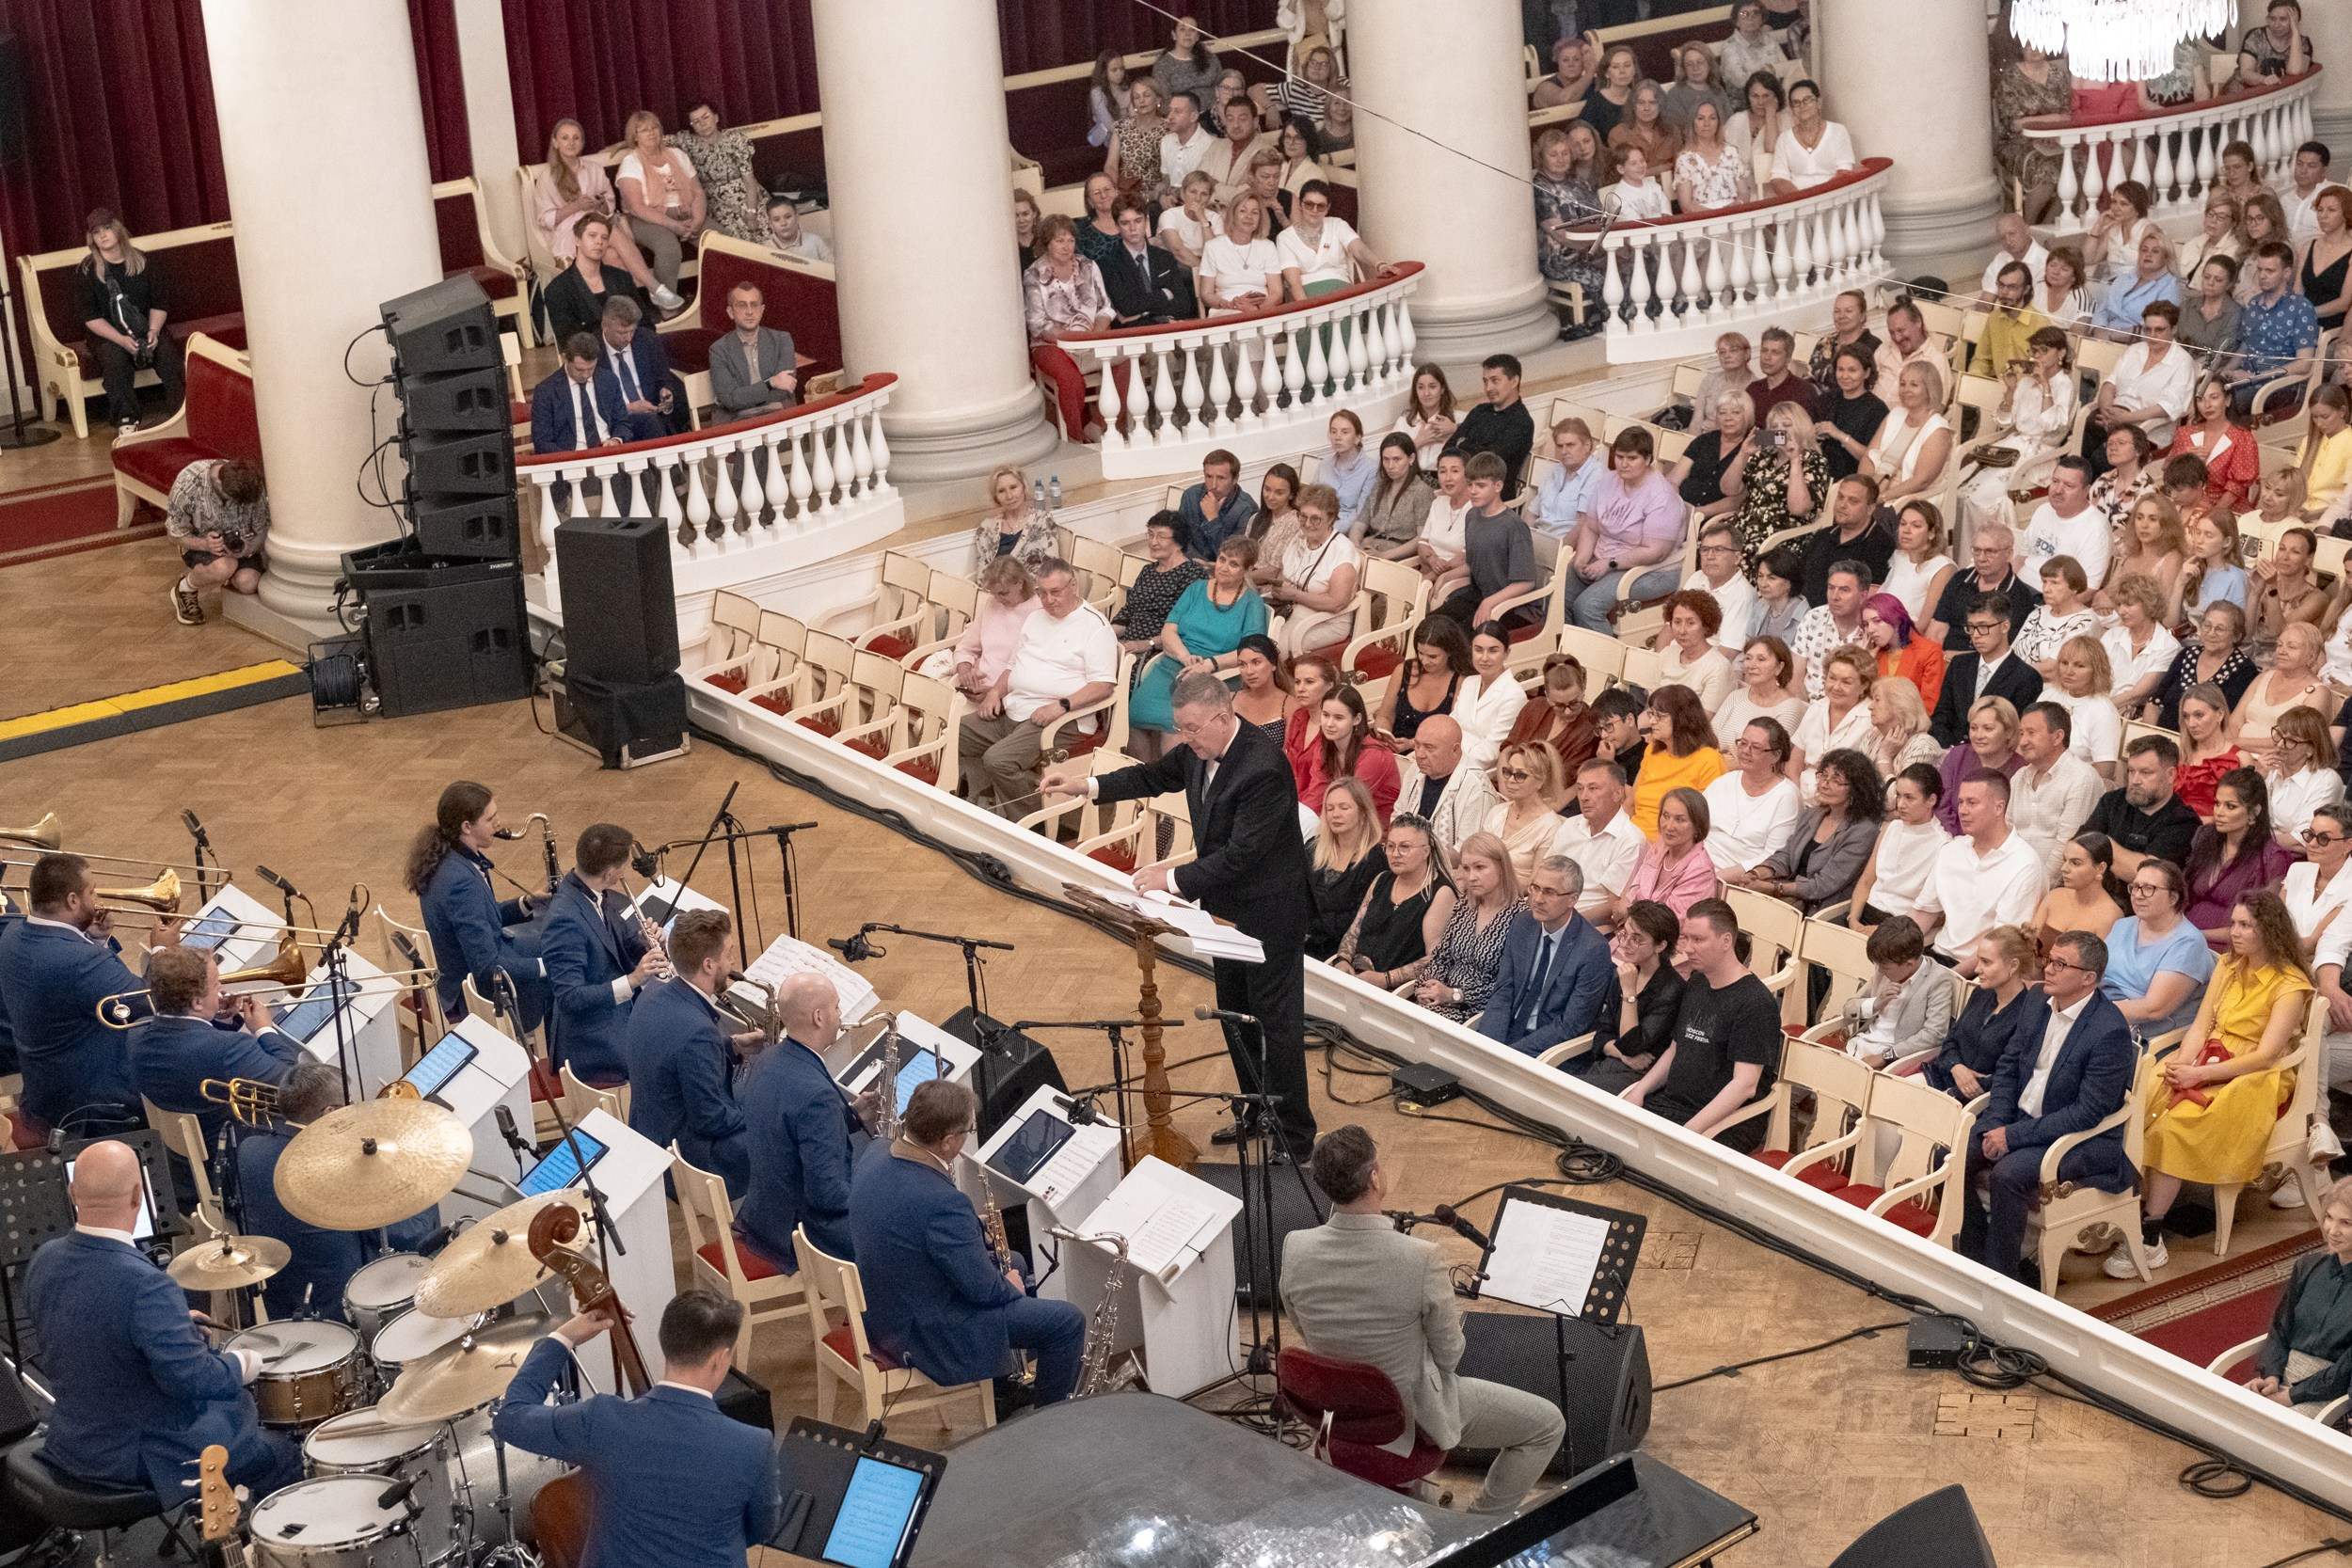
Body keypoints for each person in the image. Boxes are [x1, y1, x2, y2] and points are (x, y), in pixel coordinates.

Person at [1048, 673, 1318, 1156]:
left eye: (1191, 729)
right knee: (1234, 1013)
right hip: (1225, 907)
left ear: (1220, 716)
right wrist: (1083, 786)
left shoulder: (1262, 767)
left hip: (1271, 910)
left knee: (1276, 1022)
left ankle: (1295, 1136)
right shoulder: (1198, 751)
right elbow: (1151, 775)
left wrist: (1169, 881)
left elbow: (1243, 855)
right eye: (1181, 728)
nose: (1184, 738)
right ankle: (1257, 1108)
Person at [1282, 1126, 1565, 1512]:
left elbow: (1300, 1322)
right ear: (1375, 1178)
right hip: (1409, 1422)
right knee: (1546, 1425)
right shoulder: (1421, 1257)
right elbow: (1450, 1357)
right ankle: (1480, 1525)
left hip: (1337, 1415)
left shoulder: (1295, 1245)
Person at [26, 1140, 299, 1498]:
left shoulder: (45, 1258)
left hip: (71, 1440)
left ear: (72, 1192)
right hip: (134, 1454)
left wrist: (165, 1325)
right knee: (281, 1452)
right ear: (138, 1195)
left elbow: (84, 1323)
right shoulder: (147, 1284)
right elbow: (191, 1381)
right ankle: (231, 1543)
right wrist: (243, 1363)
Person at [496, 1289, 779, 1566]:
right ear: (720, 1358)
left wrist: (564, 1337)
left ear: (665, 1344)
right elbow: (760, 1529)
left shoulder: (603, 1421)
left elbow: (511, 1416)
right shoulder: (754, 1444)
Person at [2115, 891, 2316, 1273]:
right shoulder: (2226, 965)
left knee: (2177, 1124)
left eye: (2245, 926)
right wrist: (2180, 1063)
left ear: (2269, 931)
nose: (2233, 933)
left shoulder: (2289, 984)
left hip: (2254, 1075)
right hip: (2208, 1056)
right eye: (2234, 923)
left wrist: (2200, 1074)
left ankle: (2150, 1234)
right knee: (2143, 1097)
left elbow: (2266, 1055)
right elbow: (2202, 1023)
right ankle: (2126, 1208)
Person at [1958, 929, 2137, 1284]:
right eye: (2049, 959)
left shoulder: (2108, 1031)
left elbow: (2086, 1113)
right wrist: (1996, 1122)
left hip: (2079, 1138)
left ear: (2088, 979)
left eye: (2060, 963)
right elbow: (2009, 1066)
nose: (2048, 969)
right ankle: (1973, 1254)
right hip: (2020, 1118)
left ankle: (2001, 1281)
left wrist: (2012, 1135)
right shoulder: (2037, 998)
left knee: (2007, 1175)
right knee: (1949, 1154)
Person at [238, 1063, 441, 1322]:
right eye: (351, 1104)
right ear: (330, 1113)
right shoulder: (339, 1171)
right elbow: (409, 1235)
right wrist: (428, 1173)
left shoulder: (250, 1150)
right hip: (340, 1307)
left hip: (282, 1300)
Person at [0, 852, 179, 1135]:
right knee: (178, 1077)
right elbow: (148, 1002)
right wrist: (162, 951)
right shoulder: (80, 960)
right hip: (93, 1113)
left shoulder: (11, 935)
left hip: (43, 1096)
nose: (97, 901)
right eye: (92, 891)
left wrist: (94, 939)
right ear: (72, 900)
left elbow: (77, 990)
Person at [738, 972, 876, 1271]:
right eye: (837, 1008)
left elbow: (787, 1126)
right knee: (902, 1233)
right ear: (819, 1017)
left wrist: (848, 1117)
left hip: (764, 1213)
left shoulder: (766, 1059)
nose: (840, 1016)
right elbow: (826, 1195)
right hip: (803, 1233)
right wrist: (873, 1194)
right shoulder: (817, 1094)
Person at [960, 560, 1118, 817]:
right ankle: (988, 801)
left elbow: (1103, 686)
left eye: (1055, 592)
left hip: (1061, 719)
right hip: (1015, 708)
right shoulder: (1035, 618)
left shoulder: (1095, 627)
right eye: (1042, 592)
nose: (1048, 599)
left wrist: (1060, 706)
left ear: (1074, 585)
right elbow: (1012, 666)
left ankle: (1030, 825)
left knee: (999, 760)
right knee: (956, 732)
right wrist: (995, 693)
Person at [1620, 899, 1778, 1148]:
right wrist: (1640, 1090)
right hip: (1672, 1104)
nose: (1689, 949)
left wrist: (1689, 1130)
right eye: (1687, 939)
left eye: (1698, 940)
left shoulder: (1755, 1003)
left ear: (1726, 941)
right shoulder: (1697, 982)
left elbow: (1745, 1085)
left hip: (1721, 1121)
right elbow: (1676, 1048)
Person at [626, 909, 755, 1195]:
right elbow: (711, 1119)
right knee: (785, 1135)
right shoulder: (698, 1032)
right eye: (729, 954)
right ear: (709, 965)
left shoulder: (652, 994)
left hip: (650, 1134)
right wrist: (760, 1115)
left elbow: (672, 1055)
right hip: (689, 1161)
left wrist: (731, 1045)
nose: (733, 961)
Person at [409, 782, 548, 1035]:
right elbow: (487, 968)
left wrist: (526, 903)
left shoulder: (450, 858)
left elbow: (481, 917)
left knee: (559, 940)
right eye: (490, 819)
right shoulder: (461, 882)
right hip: (477, 993)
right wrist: (546, 966)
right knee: (570, 971)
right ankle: (556, 1056)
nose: (498, 823)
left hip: (465, 966)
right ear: (466, 827)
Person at [126, 947, 301, 1144]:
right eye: (216, 984)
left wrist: (215, 1017)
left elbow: (194, 1042)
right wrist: (264, 1030)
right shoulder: (229, 1049)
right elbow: (294, 1084)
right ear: (197, 1002)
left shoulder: (136, 1036)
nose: (221, 988)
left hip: (181, 1154)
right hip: (230, 1154)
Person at [539, 823, 660, 1088]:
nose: (624, 873)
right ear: (609, 873)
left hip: (612, 1018)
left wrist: (645, 944)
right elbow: (570, 998)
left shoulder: (594, 893)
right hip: (590, 1044)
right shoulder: (565, 920)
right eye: (623, 867)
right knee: (668, 1057)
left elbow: (619, 945)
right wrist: (633, 980)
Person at [533, 119, 679, 311]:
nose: (571, 143)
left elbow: (609, 203)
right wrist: (575, 206)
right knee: (609, 234)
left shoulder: (593, 168)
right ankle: (654, 288)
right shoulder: (548, 176)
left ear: (582, 143)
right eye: (565, 138)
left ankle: (626, 312)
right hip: (571, 234)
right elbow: (545, 220)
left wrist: (601, 205)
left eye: (576, 138)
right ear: (555, 142)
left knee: (612, 254)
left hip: (598, 224)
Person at [1477, 857, 1613, 1055]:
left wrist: (1510, 1055)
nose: (1538, 899)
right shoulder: (1523, 924)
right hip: (1508, 1030)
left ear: (1572, 899)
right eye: (1535, 888)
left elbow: (1571, 1025)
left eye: (1549, 892)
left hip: (1551, 1047)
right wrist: (1490, 1044)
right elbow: (1504, 990)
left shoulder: (1593, 950)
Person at [1915, 772, 2048, 974]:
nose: (1962, 810)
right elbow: (1924, 912)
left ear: (1999, 807)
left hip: (1983, 970)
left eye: (1972, 803)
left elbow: (2002, 944)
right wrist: (1897, 950)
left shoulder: (2024, 863)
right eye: (1960, 802)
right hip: (1936, 954)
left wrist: (1947, 978)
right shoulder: (1952, 850)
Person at [2241, 1181, 2352, 1414]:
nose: (2332, 1230)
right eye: (2329, 1217)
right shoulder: (2307, 1267)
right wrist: (2271, 1377)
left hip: (2332, 1393)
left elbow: (2346, 1368)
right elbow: (2281, 1329)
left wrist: (2290, 1396)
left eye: (2346, 1223)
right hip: (2284, 1374)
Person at [1960, 322, 2074, 542]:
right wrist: (2011, 390)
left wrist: (2046, 388)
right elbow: (2006, 421)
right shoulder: (2026, 382)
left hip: (2039, 454)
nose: (2037, 356)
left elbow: (2051, 424)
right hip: (2012, 446)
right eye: (2034, 350)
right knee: (1962, 490)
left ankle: (1989, 547)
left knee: (1981, 499)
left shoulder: (2064, 385)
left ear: (2060, 353)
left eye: (2044, 350)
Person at [76, 210, 185, 437]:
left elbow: (159, 302)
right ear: (92, 239)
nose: (103, 235)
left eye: (107, 229)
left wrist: (154, 331)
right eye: (96, 233)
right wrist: (121, 339)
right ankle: (126, 419)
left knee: (167, 355)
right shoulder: (88, 270)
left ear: (118, 229)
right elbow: (90, 317)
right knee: (114, 360)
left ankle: (181, 412)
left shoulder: (144, 261)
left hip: (145, 325)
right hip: (107, 333)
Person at [1566, 427, 1686, 629]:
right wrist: (1581, 559)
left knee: (1587, 607)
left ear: (1648, 459)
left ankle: (1601, 659)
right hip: (1605, 557)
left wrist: (1609, 564)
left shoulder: (1662, 496)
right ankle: (1568, 657)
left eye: (1632, 458)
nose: (1623, 464)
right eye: (1619, 457)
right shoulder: (1608, 481)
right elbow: (1591, 527)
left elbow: (1656, 552)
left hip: (1651, 569)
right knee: (1559, 595)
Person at [1402, 832, 1525, 1021]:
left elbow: (1509, 985)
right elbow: (1441, 957)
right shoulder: (1465, 905)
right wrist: (1428, 987)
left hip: (1478, 1011)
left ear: (1501, 867)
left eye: (1480, 868)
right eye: (1466, 869)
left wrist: (1453, 994)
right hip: (1441, 999)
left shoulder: (1522, 917)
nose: (1471, 877)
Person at [1749, 747, 1883, 915]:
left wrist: (1773, 887)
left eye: (1836, 780)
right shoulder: (1812, 814)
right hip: (1790, 898)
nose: (1824, 784)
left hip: (1822, 909)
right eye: (1823, 775)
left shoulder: (1863, 831)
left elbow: (1823, 885)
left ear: (1856, 789)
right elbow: (1786, 855)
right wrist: (1758, 872)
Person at [1332, 814, 1456, 988]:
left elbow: (1435, 959)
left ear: (1425, 852)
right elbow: (1355, 930)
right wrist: (1342, 959)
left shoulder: (1440, 892)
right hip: (1355, 979)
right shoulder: (1382, 879)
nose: (1395, 854)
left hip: (1396, 993)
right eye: (1390, 846)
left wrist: (1386, 979)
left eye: (1405, 847)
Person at [2104, 860, 2221, 1039]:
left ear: (2173, 898)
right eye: (2135, 887)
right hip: (2103, 1012)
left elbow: (2154, 1009)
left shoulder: (2188, 943)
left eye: (2149, 888)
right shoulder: (2122, 925)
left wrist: (2091, 1012)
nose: (2138, 895)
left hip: (2143, 1033)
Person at [1025, 215, 1114, 442]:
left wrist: (1095, 335)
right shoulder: (1034, 274)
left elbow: (1106, 307)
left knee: (1124, 364)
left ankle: (1107, 427)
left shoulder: (1088, 266)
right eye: (1059, 241)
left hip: (1091, 338)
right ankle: (1077, 436)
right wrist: (1073, 340)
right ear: (1046, 243)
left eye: (1070, 240)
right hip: (1051, 344)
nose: (1066, 247)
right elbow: (1038, 324)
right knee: (1070, 378)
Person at [1922, 926, 2038, 1099]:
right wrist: (1956, 1067)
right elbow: (1951, 1040)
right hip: (1944, 1075)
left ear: (2013, 965)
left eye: (1986, 962)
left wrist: (1960, 1089)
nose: (1977, 970)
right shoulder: (1980, 993)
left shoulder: (2027, 1013)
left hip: (1978, 1098)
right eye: (1978, 960)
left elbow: (2009, 1074)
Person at [2185, 768, 2297, 942]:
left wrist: (2197, 936)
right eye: (2217, 803)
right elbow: (2183, 893)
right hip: (2185, 937)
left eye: (2231, 806)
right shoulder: (2205, 837)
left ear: (2254, 812)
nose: (2219, 812)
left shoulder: (2273, 858)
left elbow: (2258, 927)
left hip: (2230, 949)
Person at [2083, 733, 2206, 880]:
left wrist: (2101, 842)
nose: (2135, 780)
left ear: (2170, 774)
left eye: (2145, 773)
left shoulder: (2183, 821)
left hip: (2137, 900)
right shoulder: (2112, 801)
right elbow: (2078, 849)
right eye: (2131, 771)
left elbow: (2144, 875)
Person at [164, 456, 267, 626]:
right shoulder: (188, 484)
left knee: (248, 583)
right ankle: (185, 588)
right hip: (200, 543)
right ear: (219, 485)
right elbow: (174, 534)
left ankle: (221, 576)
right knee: (225, 567)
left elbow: (263, 528)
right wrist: (205, 544)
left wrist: (248, 547)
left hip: (244, 545)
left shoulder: (251, 483)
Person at [1931, 593, 2042, 746]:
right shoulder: (1959, 665)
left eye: (1983, 627)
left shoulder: (2026, 677)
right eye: (1971, 627)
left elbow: (2015, 733)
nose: (1975, 635)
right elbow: (1941, 717)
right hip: (1950, 752)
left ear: (2005, 626)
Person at [2008, 703, 2106, 875]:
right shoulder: (2019, 776)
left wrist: (2039, 888)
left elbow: (2067, 848)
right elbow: (2004, 831)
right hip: (2013, 875)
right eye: (2021, 733)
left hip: (2057, 887)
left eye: (2031, 733)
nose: (2022, 742)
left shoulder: (2081, 778)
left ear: (2058, 737)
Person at [1851, 764, 1952, 930]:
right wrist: (1852, 919)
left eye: (1909, 798)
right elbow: (1866, 881)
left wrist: (1882, 930)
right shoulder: (1891, 827)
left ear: (1931, 800)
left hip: (1900, 925)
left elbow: (1935, 912)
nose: (1900, 804)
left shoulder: (1943, 845)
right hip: (1866, 911)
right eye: (1898, 795)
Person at [614, 110, 704, 295]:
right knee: (669, 248)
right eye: (644, 130)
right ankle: (666, 303)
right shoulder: (631, 162)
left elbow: (697, 191)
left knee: (720, 238)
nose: (652, 132)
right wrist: (674, 226)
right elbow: (636, 207)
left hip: (685, 210)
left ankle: (720, 296)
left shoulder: (677, 154)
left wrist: (697, 220)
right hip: (645, 217)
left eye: (655, 127)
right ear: (635, 136)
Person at [1270, 483, 1364, 657]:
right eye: (1303, 516)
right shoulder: (1299, 538)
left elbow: (1337, 603)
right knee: (1253, 634)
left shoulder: (1342, 550)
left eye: (1315, 518)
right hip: (1291, 609)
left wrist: (1294, 595)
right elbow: (1284, 575)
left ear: (1331, 518)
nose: (1307, 523)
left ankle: (1283, 684)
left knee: (1275, 648)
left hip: (1327, 620)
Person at [2230, 242, 2322, 418]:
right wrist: (2223, 372)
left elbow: (2304, 363)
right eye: (2260, 269)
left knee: (2222, 399)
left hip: (2278, 386)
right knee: (2205, 387)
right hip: (2244, 379)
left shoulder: (2301, 308)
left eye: (2269, 271)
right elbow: (2244, 348)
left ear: (2286, 273)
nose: (2262, 276)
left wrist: (2255, 376)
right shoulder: (2254, 304)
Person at [1703, 719, 1802, 881]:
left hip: (1741, 881)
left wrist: (1717, 878)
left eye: (1755, 747)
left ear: (1776, 755)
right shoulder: (1724, 781)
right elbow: (1695, 824)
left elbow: (1773, 857)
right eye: (1742, 743)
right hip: (1698, 867)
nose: (1745, 751)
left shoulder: (1786, 796)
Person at [530, 335, 651, 463]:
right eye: (579, 370)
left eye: (591, 368)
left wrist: (616, 440)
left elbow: (622, 422)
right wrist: (571, 459)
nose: (586, 375)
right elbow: (542, 441)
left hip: (608, 455)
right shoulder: (546, 391)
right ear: (565, 358)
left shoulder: (609, 380)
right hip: (571, 461)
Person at [1559, 758, 1649, 929]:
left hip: (1588, 927)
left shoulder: (1630, 840)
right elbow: (1546, 874)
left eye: (1593, 789)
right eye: (1580, 789)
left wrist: (1564, 923)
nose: (1584, 797)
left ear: (1618, 794)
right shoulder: (1570, 825)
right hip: (1550, 913)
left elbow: (1611, 907)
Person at [542, 213, 655, 351]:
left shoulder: (621, 278)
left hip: (633, 354)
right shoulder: (557, 289)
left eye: (604, 237)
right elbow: (570, 343)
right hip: (592, 362)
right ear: (577, 240)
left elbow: (645, 324)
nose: (599, 242)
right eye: (592, 236)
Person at [1393, 714, 1496, 864]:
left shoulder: (1475, 786)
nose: (1420, 754)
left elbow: (1467, 853)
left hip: (1448, 875)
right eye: (1417, 745)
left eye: (1429, 748)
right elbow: (1398, 815)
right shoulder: (1415, 770)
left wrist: (1416, 861)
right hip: (1407, 862)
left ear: (1455, 750)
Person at [1307, 778, 1391, 960]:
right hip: (1300, 941)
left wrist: (1309, 923)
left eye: (1344, 808)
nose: (1335, 814)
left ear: (1362, 812)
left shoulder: (1374, 860)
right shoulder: (1313, 848)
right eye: (1330, 809)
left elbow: (1360, 919)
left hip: (1340, 953)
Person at [1631, 686, 1727, 839]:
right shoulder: (1653, 749)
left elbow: (1704, 826)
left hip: (1668, 847)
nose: (1651, 721)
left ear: (1682, 719)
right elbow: (1630, 802)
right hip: (1632, 837)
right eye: (1651, 714)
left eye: (1659, 716)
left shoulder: (1709, 760)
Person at [1300, 683, 1400, 821]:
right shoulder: (1323, 749)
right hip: (1340, 825)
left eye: (1338, 718)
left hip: (1376, 832)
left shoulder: (1375, 755)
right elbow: (1316, 797)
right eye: (1326, 715)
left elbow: (1350, 804)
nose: (1329, 723)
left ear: (1357, 720)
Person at [670, 102, 764, 244]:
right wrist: (623, 144)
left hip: (746, 195)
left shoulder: (735, 140)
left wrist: (752, 212)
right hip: (714, 201)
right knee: (735, 240)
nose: (702, 124)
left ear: (716, 117)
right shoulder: (687, 141)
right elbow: (654, 139)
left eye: (705, 117)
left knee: (767, 227)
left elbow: (750, 181)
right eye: (696, 121)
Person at [1444, 356, 1535, 500]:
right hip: (1460, 493)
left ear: (1514, 381)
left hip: (1493, 502)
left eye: (1495, 381)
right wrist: (1473, 448)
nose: (1488, 388)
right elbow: (1447, 450)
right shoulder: (1480, 410)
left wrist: (1463, 444)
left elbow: (1488, 466)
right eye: (1485, 381)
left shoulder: (1522, 422)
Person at [706, 281, 801, 420]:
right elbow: (730, 400)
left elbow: (785, 389)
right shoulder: (718, 350)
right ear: (731, 312)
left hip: (781, 418)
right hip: (741, 424)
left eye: (754, 305)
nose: (749, 311)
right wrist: (771, 383)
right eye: (742, 305)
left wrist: (744, 396)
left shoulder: (782, 340)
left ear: (762, 310)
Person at [596, 294, 688, 436]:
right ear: (605, 325)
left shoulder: (649, 341)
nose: (628, 338)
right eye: (621, 332)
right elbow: (590, 401)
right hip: (614, 422)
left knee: (655, 423)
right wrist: (629, 409)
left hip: (653, 416)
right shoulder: (592, 350)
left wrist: (666, 391)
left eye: (632, 331)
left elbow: (665, 379)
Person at [1798, 475, 1894, 608]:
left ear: (1870, 509)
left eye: (1853, 501)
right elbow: (1799, 577)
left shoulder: (1880, 545)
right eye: (1840, 497)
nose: (1842, 505)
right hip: (1803, 614)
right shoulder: (1823, 535)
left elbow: (1869, 600)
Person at [1481, 741, 1570, 884]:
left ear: (1540, 781)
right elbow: (1477, 855)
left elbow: (1536, 883)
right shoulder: (1497, 812)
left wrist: (1495, 885)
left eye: (1520, 775)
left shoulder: (1550, 826)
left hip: (1519, 901)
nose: (1510, 780)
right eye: (1508, 772)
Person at [1625, 786, 1720, 921]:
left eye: (1679, 820)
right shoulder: (1658, 849)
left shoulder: (1700, 870)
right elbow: (1632, 892)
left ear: (1697, 826)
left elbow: (1669, 924)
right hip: (1636, 929)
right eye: (1665, 816)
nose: (1669, 826)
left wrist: (1629, 911)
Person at [1383, 618, 1474, 749]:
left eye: (1433, 656)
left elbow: (1455, 733)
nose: (1425, 661)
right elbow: (1384, 716)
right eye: (1420, 653)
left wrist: (1412, 744)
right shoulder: (1403, 670)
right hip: (1394, 751)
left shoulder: (1462, 682)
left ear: (1450, 652)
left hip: (1436, 755)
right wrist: (1386, 736)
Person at [1792, 560, 1872, 703]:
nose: (1835, 596)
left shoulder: (1871, 629)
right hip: (1806, 706)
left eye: (1844, 590)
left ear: (1862, 596)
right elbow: (1795, 676)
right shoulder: (1814, 617)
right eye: (1831, 588)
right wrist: (1809, 714)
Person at [2104, 573, 2185, 711]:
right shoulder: (2111, 636)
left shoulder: (2168, 646)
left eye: (2128, 604)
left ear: (2148, 604)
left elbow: (2138, 695)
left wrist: (2098, 709)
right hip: (2103, 707)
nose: (2121, 611)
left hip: (2137, 715)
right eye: (2119, 604)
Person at [1680, 521, 1758, 656]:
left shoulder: (1743, 596)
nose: (1710, 556)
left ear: (1737, 558)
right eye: (1705, 549)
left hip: (1706, 666)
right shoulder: (1696, 578)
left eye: (1718, 550)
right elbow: (1669, 628)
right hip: (1676, 656)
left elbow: (1726, 655)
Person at [1767, 78, 1853, 196]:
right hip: (1799, 204)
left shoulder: (1838, 131)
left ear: (1819, 103)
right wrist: (1801, 200)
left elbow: (1845, 173)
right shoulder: (1785, 139)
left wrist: (1821, 198)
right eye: (1796, 103)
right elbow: (1778, 178)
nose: (1802, 105)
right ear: (1792, 110)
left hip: (1834, 200)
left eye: (1807, 100)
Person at [1861, 592, 1945, 714]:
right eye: (1866, 624)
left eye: (1877, 621)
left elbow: (1929, 704)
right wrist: (1866, 665)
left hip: (1913, 725)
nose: (1870, 630)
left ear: (1896, 620)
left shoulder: (1929, 651)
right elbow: (1859, 697)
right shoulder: (1873, 654)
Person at [1530, 415, 1608, 543]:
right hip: (1536, 539)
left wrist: (1559, 553)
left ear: (1587, 445)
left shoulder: (1595, 475)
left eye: (1570, 445)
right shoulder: (1555, 470)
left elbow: (1584, 524)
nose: (1564, 451)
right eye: (1560, 446)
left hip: (1563, 546)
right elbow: (1532, 514)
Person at [1657, 589, 1735, 716]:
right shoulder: (1667, 654)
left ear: (1705, 626)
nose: (1682, 630)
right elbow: (1650, 709)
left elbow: (1701, 723)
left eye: (1690, 623)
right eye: (1677, 622)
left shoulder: (1719, 668)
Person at [1356, 434, 1436, 559]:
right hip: (1370, 550)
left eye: (1396, 459)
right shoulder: (1378, 488)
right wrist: (1355, 547)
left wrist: (1384, 555)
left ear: (1411, 459)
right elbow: (1359, 525)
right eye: (1386, 459)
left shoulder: (1421, 491)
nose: (1390, 466)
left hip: (1399, 556)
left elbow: (1421, 539)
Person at [2174, 683, 2243, 819]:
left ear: (2220, 714)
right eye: (2186, 716)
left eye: (2199, 715)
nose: (2191, 724)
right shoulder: (2179, 755)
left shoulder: (2239, 758)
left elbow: (2242, 814)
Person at [1179, 449, 1257, 561]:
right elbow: (1180, 539)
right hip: (1190, 565)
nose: (1213, 485)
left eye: (1221, 478)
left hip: (1223, 571)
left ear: (1235, 479)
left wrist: (1213, 519)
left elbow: (1233, 556)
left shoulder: (1247, 508)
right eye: (1209, 477)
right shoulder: (1190, 496)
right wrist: (1198, 564)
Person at [1871, 298, 1944, 407]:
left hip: (1903, 422)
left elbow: (1936, 409)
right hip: (1868, 416)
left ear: (1918, 322)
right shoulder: (1884, 348)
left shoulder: (1936, 360)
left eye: (1901, 330)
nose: (1897, 338)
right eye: (1892, 332)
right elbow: (1867, 382)